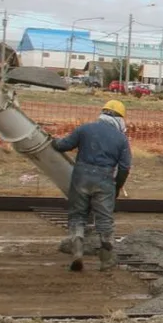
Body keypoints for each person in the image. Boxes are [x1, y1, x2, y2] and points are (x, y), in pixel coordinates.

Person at [52, 99, 132, 273]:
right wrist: (117, 186)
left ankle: (77, 252)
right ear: (121, 119)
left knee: (77, 216)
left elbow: (63, 145)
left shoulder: (85, 129)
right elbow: (125, 167)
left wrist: (51, 140)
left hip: (80, 177)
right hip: (105, 181)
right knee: (104, 221)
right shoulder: (121, 139)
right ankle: (106, 261)